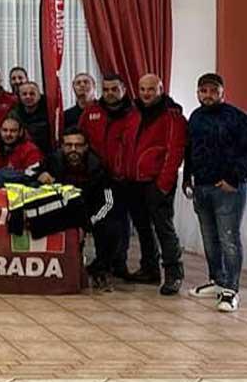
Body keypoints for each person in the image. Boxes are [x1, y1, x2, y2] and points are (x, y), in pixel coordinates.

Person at [184, 73, 247, 312]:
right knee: (209, 238)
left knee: (228, 238)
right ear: (198, 93)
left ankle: (231, 289)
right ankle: (217, 280)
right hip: (201, 187)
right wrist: (187, 178)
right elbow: (190, 150)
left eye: (213, 91)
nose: (208, 95)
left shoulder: (237, 118)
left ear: (222, 92)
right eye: (203, 91)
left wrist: (234, 178)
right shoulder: (195, 117)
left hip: (228, 189)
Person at [120, 74, 187, 295]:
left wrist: (163, 185)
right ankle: (149, 268)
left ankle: (174, 274)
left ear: (160, 89)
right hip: (133, 181)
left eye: (151, 89)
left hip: (156, 182)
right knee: (143, 229)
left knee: (163, 229)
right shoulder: (133, 113)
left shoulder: (173, 116)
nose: (146, 93)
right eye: (142, 89)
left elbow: (175, 152)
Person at [35, 128, 117, 290]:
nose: (73, 150)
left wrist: (87, 225)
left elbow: (108, 203)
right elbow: (29, 173)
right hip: (61, 211)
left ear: (86, 147)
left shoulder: (98, 167)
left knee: (111, 227)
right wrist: (40, 175)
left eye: (78, 145)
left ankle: (102, 269)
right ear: (62, 147)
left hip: (90, 212)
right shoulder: (52, 161)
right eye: (69, 145)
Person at [80, 74, 135, 279]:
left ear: (124, 90)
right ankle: (102, 261)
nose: (110, 93)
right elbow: (81, 140)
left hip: (124, 178)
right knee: (100, 220)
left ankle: (119, 263)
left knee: (121, 221)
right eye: (106, 89)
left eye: (114, 89)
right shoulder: (91, 112)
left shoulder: (134, 114)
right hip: (97, 178)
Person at [9, 82, 52, 153]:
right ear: (19, 96)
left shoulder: (50, 112)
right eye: (24, 94)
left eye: (32, 94)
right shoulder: (13, 115)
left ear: (39, 96)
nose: (28, 97)